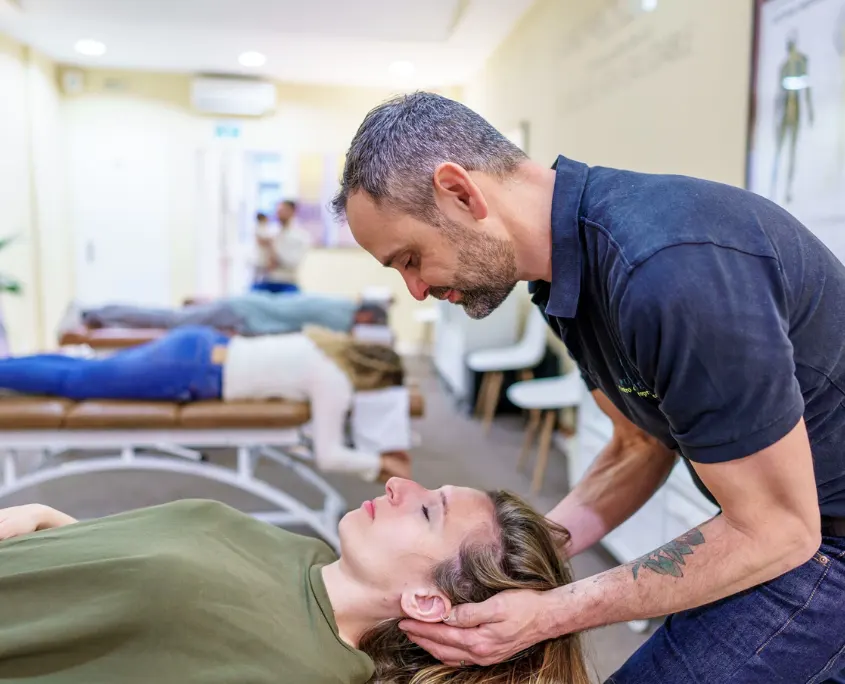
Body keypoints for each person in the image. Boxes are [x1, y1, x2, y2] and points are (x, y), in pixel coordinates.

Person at [331, 92, 845, 683]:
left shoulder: (666, 273)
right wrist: (511, 564)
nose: (415, 290)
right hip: (787, 526)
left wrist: (550, 612)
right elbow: (640, 444)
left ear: (460, 193)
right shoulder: (562, 278)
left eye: (411, 258)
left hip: (814, 538)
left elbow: (778, 529)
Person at [0, 483, 591, 683]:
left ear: (427, 601)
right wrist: (50, 522)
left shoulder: (299, 667)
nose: (396, 483)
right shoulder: (309, 558)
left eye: (426, 511)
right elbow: (133, 595)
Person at [0, 325, 408, 483]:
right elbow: (329, 455)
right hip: (188, 370)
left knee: (79, 372)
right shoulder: (335, 382)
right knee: (76, 381)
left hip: (199, 344)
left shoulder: (326, 343)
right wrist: (379, 466)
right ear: (373, 379)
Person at [76, 292, 389, 336]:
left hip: (243, 308)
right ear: (364, 317)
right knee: (168, 320)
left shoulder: (341, 305)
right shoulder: (339, 318)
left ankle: (101, 312)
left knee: (171, 319)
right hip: (240, 313)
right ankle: (99, 313)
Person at [771, 30, 814, 204]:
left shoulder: (802, 61)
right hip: (784, 113)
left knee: (791, 153)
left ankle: (787, 191)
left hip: (794, 111)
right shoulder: (783, 66)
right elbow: (779, 92)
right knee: (780, 152)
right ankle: (773, 191)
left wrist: (810, 110)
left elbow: (806, 88)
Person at [252, 200, 310, 294]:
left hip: (287, 282)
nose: (280, 213)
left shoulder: (300, 236)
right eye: (278, 211)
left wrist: (272, 248)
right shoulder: (268, 233)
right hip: (266, 281)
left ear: (292, 212)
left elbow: (293, 263)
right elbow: (258, 261)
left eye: (284, 210)